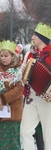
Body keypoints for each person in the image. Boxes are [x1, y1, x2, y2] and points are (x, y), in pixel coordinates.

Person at [0, 40, 24, 150]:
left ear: (13, 56)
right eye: (1, 56)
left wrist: (3, 98)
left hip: (13, 111)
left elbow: (20, 88)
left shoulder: (19, 69)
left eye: (6, 56)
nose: (3, 58)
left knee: (10, 144)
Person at [20, 22, 51, 150]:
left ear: (41, 38)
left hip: (47, 99)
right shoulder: (29, 55)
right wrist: (22, 74)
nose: (32, 38)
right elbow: (22, 77)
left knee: (48, 135)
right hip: (31, 97)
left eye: (35, 35)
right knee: (25, 131)